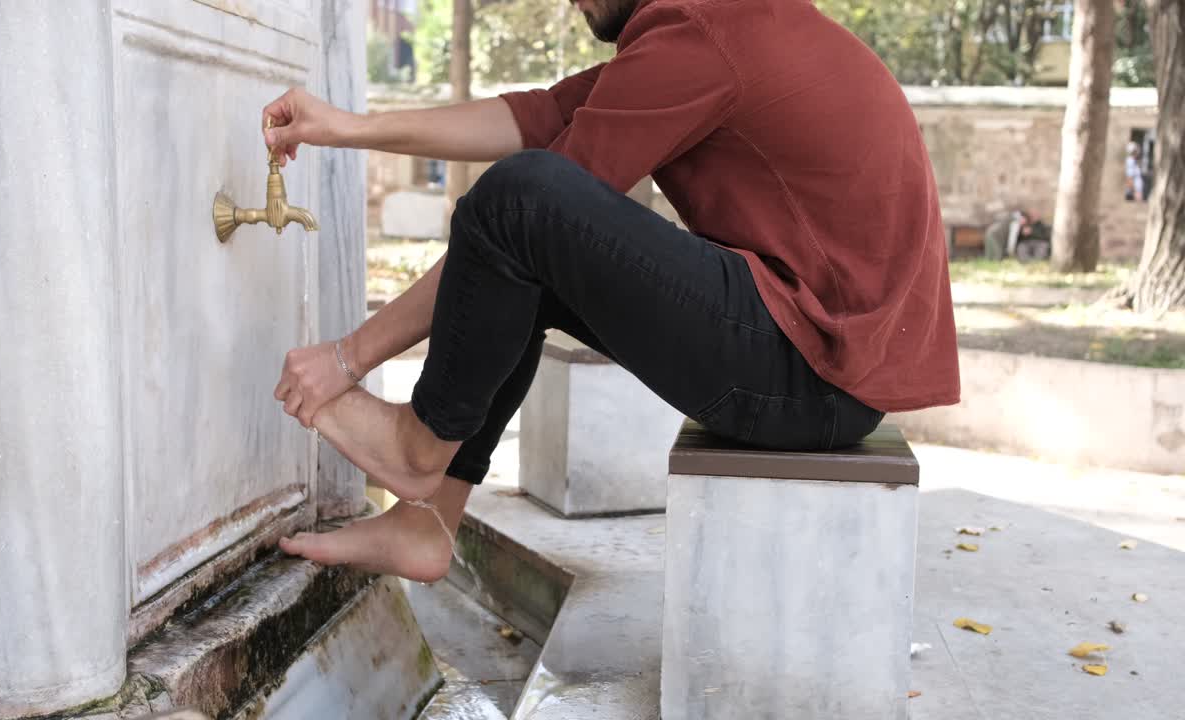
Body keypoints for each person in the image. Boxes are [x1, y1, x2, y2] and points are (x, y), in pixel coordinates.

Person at [264, 0, 961, 582]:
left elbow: (528, 199)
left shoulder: (707, 29)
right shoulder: (711, 24)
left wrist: (348, 358)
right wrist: (350, 128)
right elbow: (537, 115)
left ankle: (416, 448)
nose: (572, 1)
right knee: (529, 232)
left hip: (811, 376)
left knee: (520, 200)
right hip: (819, 371)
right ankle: (426, 524)